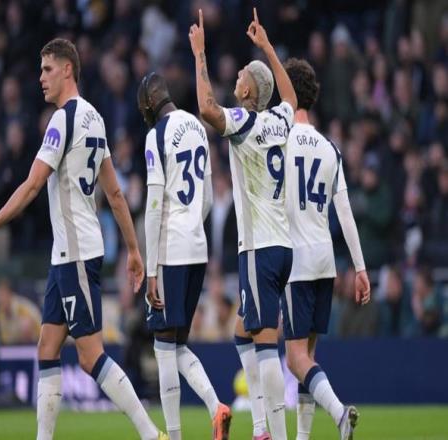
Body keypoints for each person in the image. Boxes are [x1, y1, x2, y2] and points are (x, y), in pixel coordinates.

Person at [0, 38, 168, 440]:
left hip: (76, 253)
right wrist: (132, 250)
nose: (41, 78)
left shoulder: (63, 120)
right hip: (67, 255)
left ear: (67, 69)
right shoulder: (95, 118)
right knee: (47, 348)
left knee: (91, 357)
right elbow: (114, 193)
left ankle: (151, 434)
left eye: (47, 69)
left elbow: (33, 183)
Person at [189, 9, 297, 440]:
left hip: (258, 248)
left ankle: (274, 434)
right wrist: (267, 47)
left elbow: (206, 108)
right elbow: (291, 99)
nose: (236, 77)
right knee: (242, 331)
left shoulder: (245, 123)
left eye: (241, 75)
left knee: (266, 343)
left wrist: (200, 54)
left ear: (250, 90)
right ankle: (260, 427)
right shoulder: (279, 120)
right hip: (281, 246)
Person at [138, 72, 231, 440]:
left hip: (170, 251)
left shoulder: (156, 136)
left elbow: (154, 205)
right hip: (196, 247)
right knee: (177, 345)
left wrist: (151, 269)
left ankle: (174, 436)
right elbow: (206, 198)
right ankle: (216, 407)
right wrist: (192, 221)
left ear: (149, 102)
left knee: (163, 348)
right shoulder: (197, 127)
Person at [281, 57, 371, 440]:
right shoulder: (329, 148)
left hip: (296, 261)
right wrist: (360, 268)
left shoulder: (281, 142)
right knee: (308, 357)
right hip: (325, 261)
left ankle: (338, 412)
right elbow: (345, 212)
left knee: (295, 359)